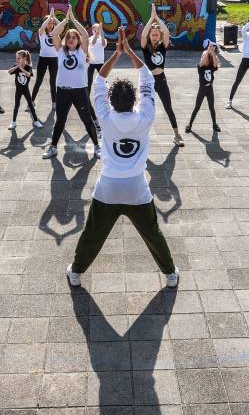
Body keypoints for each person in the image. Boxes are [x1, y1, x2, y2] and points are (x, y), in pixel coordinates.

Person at [66, 27, 178, 289]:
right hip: (137, 187)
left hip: (108, 187)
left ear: (110, 101)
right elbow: (147, 79)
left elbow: (98, 82)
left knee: (93, 234)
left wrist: (116, 55)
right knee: (152, 232)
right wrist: (129, 52)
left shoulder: (105, 118)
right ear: (135, 100)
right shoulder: (145, 116)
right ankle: (171, 274)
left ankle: (75, 272)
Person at [44, 9, 99, 159]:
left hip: (79, 91)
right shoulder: (61, 51)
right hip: (62, 91)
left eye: (74, 37)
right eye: (69, 37)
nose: (71, 39)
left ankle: (96, 146)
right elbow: (55, 34)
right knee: (59, 120)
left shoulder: (82, 52)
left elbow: (86, 35)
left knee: (87, 120)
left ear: (78, 40)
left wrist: (73, 20)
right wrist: (64, 21)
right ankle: (53, 147)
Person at [141, 4, 185, 146]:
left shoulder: (162, 46)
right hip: (149, 82)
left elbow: (166, 33)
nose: (154, 37)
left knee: (168, 108)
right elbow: (143, 34)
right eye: (152, 35)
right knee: (144, 110)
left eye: (156, 35)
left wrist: (157, 18)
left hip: (161, 80)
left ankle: (177, 135)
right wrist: (151, 18)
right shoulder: (146, 47)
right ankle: (140, 136)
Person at [185, 40, 221, 134]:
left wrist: (212, 52)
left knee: (211, 107)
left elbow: (215, 64)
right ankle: (190, 124)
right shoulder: (200, 67)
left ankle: (214, 124)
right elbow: (201, 62)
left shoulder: (211, 67)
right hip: (202, 89)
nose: (203, 58)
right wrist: (206, 52)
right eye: (202, 57)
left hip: (210, 89)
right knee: (197, 107)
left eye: (205, 57)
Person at [8, 50, 43, 130]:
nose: (17, 60)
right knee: (16, 105)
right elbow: (9, 71)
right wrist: (17, 66)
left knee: (30, 105)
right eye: (16, 58)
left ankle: (36, 121)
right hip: (18, 90)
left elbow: (29, 75)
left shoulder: (28, 67)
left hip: (25, 89)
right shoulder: (15, 66)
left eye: (19, 58)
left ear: (24, 58)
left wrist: (22, 69)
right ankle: (13, 122)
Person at [32, 14, 60, 108]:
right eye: (49, 23)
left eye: (52, 23)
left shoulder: (55, 33)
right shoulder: (42, 32)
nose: (50, 25)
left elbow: (60, 25)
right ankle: (31, 101)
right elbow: (42, 27)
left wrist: (53, 17)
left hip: (54, 59)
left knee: (53, 82)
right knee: (38, 81)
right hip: (43, 58)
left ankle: (54, 103)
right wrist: (48, 18)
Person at [86, 23, 108, 130]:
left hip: (100, 63)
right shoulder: (90, 39)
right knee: (88, 81)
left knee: (103, 80)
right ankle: (87, 93)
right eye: (95, 30)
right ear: (92, 31)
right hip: (91, 63)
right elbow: (93, 43)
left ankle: (107, 94)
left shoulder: (102, 38)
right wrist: (96, 34)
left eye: (97, 30)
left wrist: (101, 32)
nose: (96, 32)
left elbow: (103, 43)